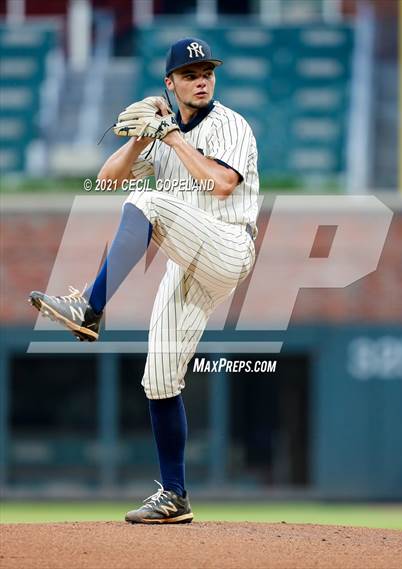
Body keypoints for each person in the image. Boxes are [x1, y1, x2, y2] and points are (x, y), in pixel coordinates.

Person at [29, 37, 259, 524]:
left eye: (208, 71)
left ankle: (88, 309)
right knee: (159, 379)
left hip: (229, 244)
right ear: (170, 83)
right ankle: (174, 495)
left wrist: (172, 137)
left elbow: (220, 184)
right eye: (190, 73)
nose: (202, 79)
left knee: (148, 203)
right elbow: (108, 180)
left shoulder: (230, 124)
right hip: (188, 259)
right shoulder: (162, 131)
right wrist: (140, 137)